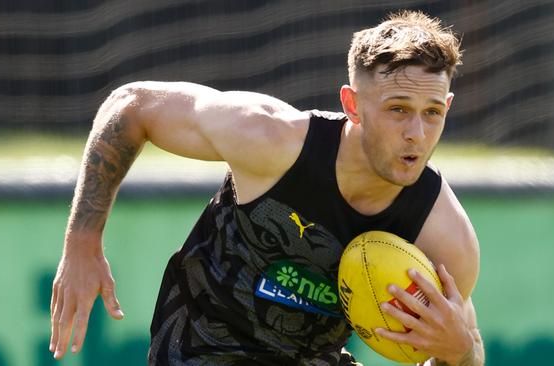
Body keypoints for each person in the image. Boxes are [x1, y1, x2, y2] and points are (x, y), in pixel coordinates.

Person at [50, 10, 484, 366]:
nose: (417, 133)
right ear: (352, 105)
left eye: (431, 113)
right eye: (397, 109)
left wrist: (459, 352)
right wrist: (82, 242)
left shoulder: (446, 239)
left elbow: (464, 350)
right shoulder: (270, 140)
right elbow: (132, 106)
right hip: (199, 351)